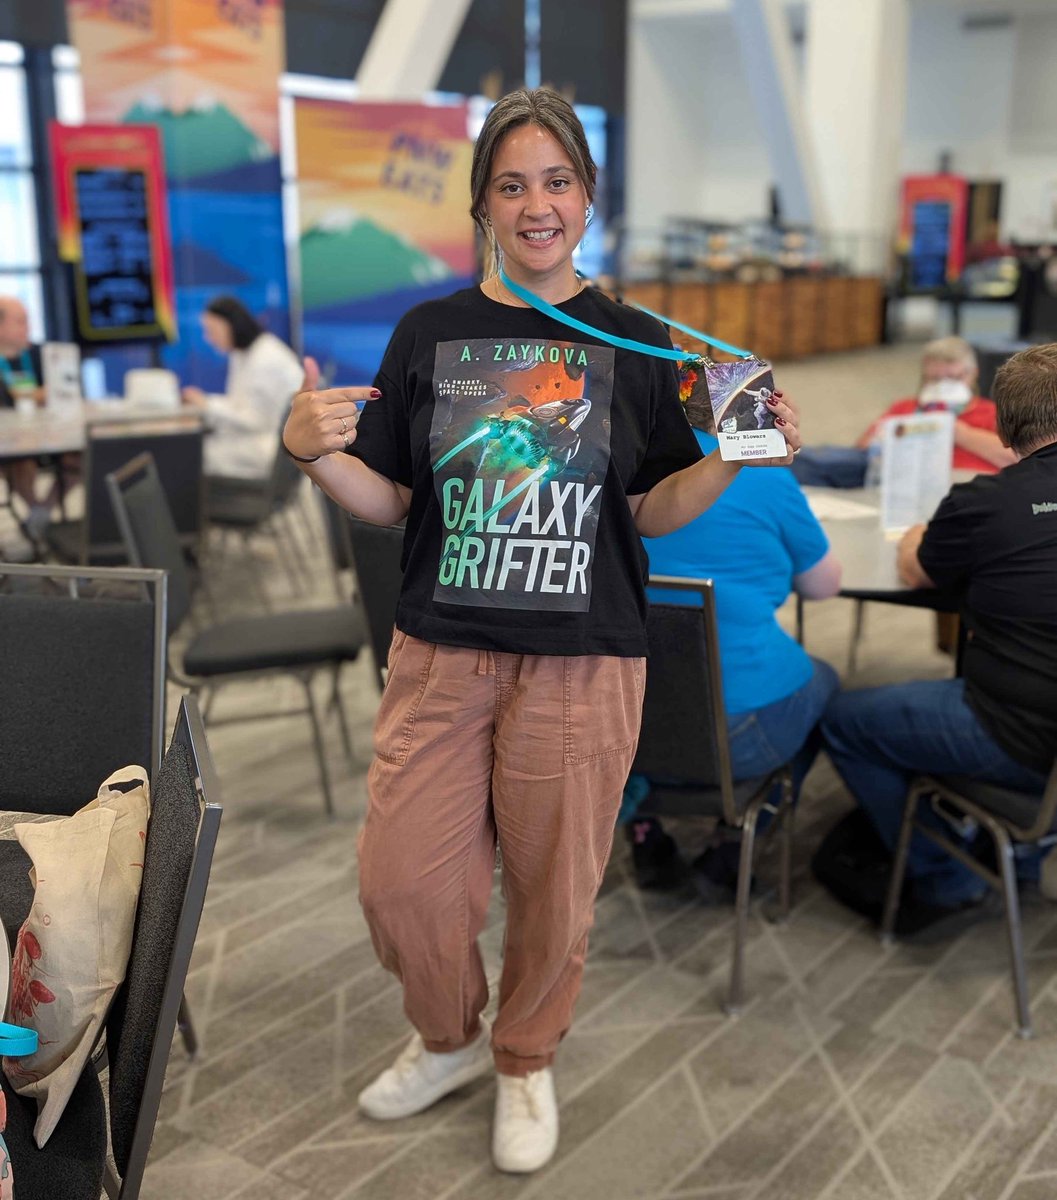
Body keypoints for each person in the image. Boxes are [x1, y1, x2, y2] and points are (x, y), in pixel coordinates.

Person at [280, 89, 802, 1174]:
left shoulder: (638, 340)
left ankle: (523, 1057)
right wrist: (312, 453)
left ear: (587, 196)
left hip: (581, 659)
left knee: (555, 888)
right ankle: (449, 1037)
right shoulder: (429, 330)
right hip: (439, 648)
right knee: (404, 883)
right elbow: (390, 504)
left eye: (555, 181)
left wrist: (728, 455)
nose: (536, 204)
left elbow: (649, 510)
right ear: (480, 203)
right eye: (511, 184)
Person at [821, 343, 1057, 937]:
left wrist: (920, 530)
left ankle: (945, 873)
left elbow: (916, 568)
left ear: (1001, 427)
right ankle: (1019, 845)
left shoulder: (986, 503)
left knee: (842, 720)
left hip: (1016, 735)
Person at [621, 375, 842, 896]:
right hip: (737, 736)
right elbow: (824, 585)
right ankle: (736, 839)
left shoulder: (606, 471)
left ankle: (644, 825)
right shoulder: (762, 471)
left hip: (620, 728)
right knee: (828, 686)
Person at [791, 337, 1016, 488]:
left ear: (973, 374)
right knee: (816, 460)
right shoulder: (906, 408)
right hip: (902, 485)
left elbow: (1020, 458)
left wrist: (957, 432)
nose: (944, 386)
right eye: (935, 379)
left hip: (965, 484)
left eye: (954, 378)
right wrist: (900, 433)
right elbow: (862, 452)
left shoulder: (992, 413)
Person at [182, 295, 303, 480]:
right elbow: (239, 404)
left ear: (231, 325)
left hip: (270, 446)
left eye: (211, 331)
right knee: (200, 447)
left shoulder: (265, 358)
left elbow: (255, 420)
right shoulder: (243, 353)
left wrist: (207, 405)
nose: (208, 338)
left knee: (196, 455)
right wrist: (205, 404)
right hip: (261, 438)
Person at [0, 297, 52, 544]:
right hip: (12, 446)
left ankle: (43, 512)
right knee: (22, 462)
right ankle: (38, 513)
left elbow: (62, 393)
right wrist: (37, 394)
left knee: (84, 458)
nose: (27, 328)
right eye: (20, 321)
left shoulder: (41, 355)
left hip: (49, 436)